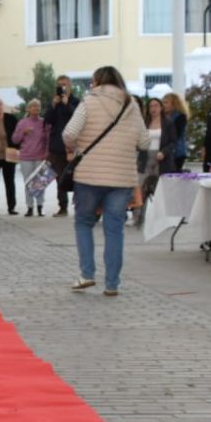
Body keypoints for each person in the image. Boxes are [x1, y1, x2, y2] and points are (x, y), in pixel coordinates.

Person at [64, 66, 154, 296]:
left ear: (96, 82)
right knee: (114, 230)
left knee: (84, 223)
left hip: (89, 176)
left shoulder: (88, 102)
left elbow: (69, 134)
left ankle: (87, 275)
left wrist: (75, 147)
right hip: (121, 178)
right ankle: (112, 284)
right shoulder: (131, 105)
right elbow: (145, 142)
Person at [46, 74, 80, 216]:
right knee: (59, 178)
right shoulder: (55, 102)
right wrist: (53, 105)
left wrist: (67, 105)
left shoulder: (76, 101)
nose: (62, 87)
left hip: (74, 146)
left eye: (64, 84)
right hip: (57, 146)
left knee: (78, 177)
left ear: (70, 85)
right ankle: (63, 207)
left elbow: (78, 118)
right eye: (59, 85)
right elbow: (47, 120)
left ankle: (79, 206)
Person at [159, 92, 188, 173]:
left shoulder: (180, 117)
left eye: (166, 102)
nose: (164, 105)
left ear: (174, 104)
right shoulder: (161, 118)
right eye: (163, 103)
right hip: (163, 152)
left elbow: (176, 135)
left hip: (176, 153)